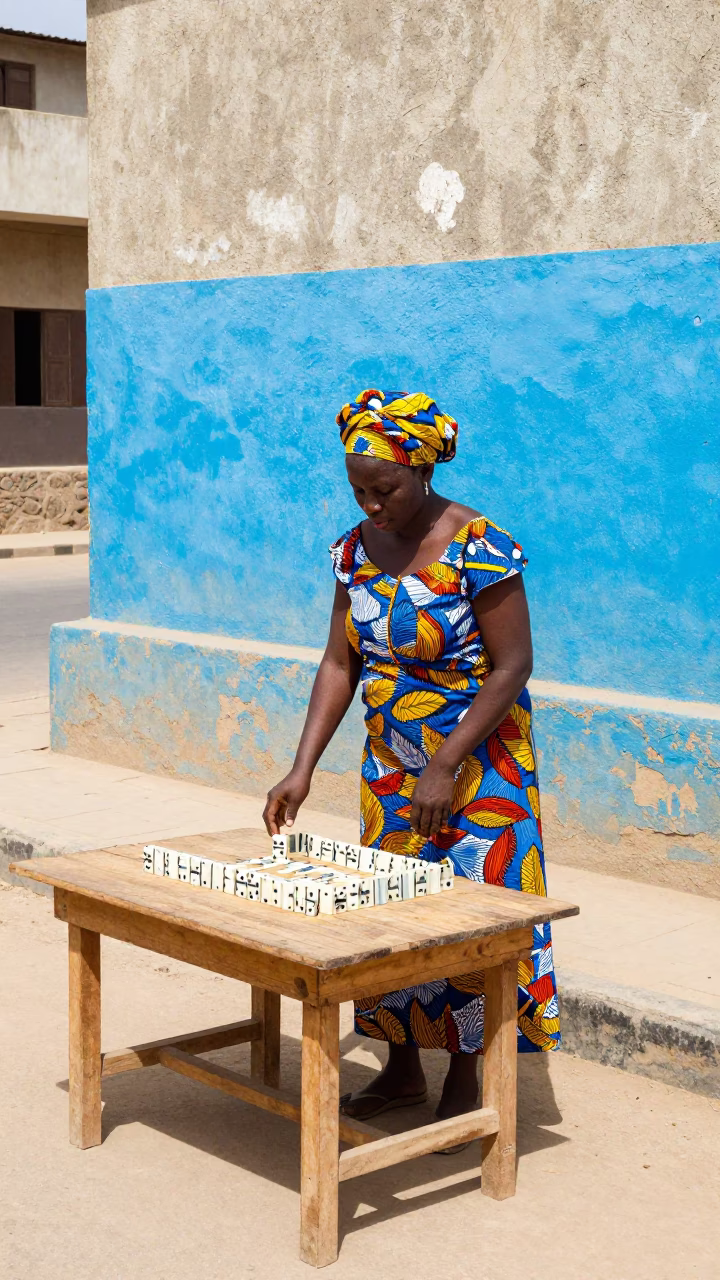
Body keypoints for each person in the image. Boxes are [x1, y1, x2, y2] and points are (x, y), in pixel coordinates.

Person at [263, 387, 559, 1126]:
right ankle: (400, 1068)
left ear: (423, 470)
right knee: (390, 914)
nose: (372, 505)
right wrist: (302, 767)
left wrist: (446, 764)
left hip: (480, 767)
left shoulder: (480, 545)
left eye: (385, 489)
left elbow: (513, 665)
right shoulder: (354, 551)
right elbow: (340, 662)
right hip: (392, 768)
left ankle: (466, 1072)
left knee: (471, 916)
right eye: (358, 490)